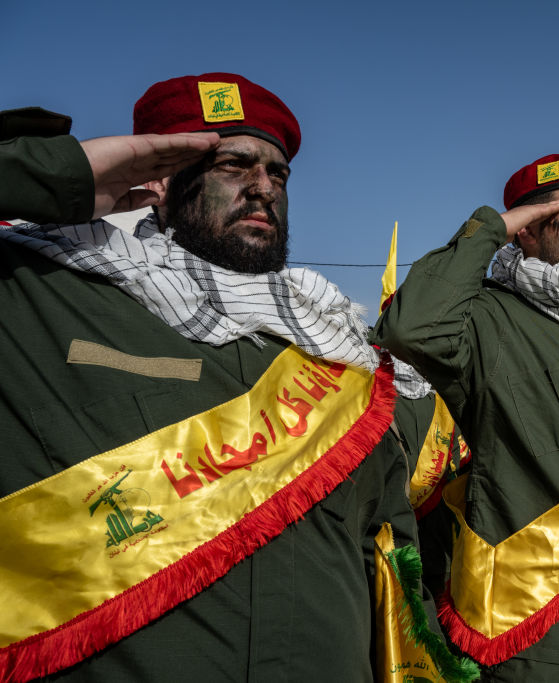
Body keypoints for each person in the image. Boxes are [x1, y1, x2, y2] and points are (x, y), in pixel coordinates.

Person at [0, 73, 421, 682]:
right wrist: (67, 175)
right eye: (233, 164)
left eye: (278, 173)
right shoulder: (40, 294)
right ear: (157, 179)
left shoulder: (333, 346)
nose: (262, 188)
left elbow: (387, 552)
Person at [373, 155, 559, 680]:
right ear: (527, 232)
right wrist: (494, 224)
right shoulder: (488, 316)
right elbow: (409, 327)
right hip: (537, 633)